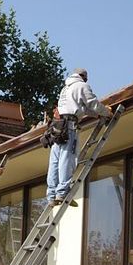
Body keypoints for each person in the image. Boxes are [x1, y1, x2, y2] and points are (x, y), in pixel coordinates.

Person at [46, 68, 112, 206]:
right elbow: (92, 103)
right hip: (69, 127)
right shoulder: (82, 85)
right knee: (67, 159)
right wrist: (106, 112)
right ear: (84, 77)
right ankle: (62, 192)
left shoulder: (65, 88)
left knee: (55, 160)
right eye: (86, 79)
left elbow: (82, 108)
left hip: (57, 126)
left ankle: (51, 195)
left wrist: (97, 114)